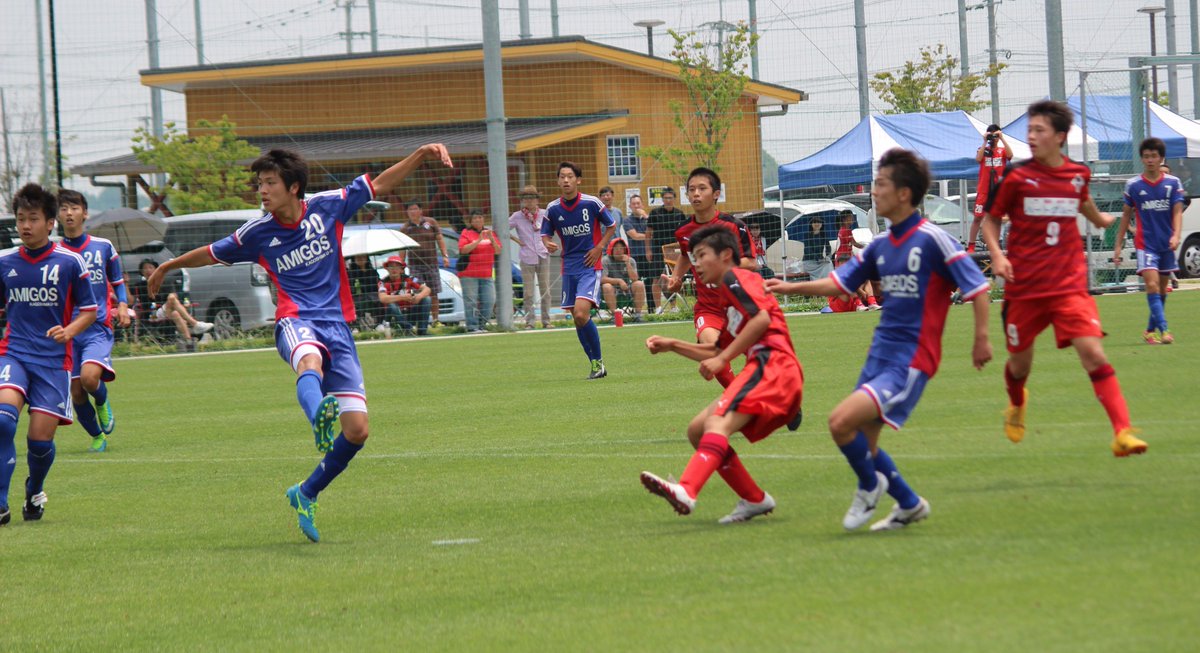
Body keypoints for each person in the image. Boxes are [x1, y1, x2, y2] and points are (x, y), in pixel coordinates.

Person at [147, 144, 455, 542]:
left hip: (339, 328)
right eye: (259, 184)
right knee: (309, 361)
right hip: (296, 320)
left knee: (358, 431)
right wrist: (169, 265)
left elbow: (378, 183)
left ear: (293, 187)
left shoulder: (328, 207)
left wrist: (421, 154)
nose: (262, 190)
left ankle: (306, 492)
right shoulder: (257, 233)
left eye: (270, 183)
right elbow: (210, 253)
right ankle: (318, 421)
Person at [766, 148, 993, 531]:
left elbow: (978, 286)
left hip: (910, 360)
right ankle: (908, 503)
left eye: (881, 184)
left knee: (840, 423)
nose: (874, 192)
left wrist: (981, 338)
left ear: (904, 193)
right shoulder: (880, 246)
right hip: (879, 355)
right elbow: (837, 283)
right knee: (865, 443)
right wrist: (788, 287)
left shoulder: (934, 240)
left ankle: (870, 488)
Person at [981, 100, 1147, 458]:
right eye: (1030, 130)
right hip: (1024, 289)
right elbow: (990, 220)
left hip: (1068, 285)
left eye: (1039, 130)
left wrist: (1099, 219)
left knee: (1093, 354)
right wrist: (997, 254)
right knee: (1019, 365)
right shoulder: (1017, 178)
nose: (1032, 136)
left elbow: (1080, 198)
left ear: (1059, 137)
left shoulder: (1077, 173)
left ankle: (1122, 432)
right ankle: (1016, 402)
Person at [640, 224, 803, 524]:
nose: (696, 264)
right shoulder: (729, 294)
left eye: (701, 255)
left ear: (726, 255)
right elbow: (715, 350)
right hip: (766, 368)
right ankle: (754, 498)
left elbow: (761, 319)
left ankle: (687, 490)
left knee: (716, 422)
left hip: (773, 364)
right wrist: (672, 345)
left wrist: (725, 358)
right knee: (697, 430)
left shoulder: (736, 277)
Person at [0, 184, 98, 525]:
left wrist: (70, 331)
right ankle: (0, 502)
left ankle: (34, 489)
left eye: (33, 219)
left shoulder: (70, 263)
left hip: (54, 363)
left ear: (50, 223)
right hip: (13, 354)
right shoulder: (4, 262)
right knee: (2, 420)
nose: (25, 226)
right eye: (21, 219)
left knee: (39, 442)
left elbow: (90, 309)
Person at [661, 168, 758, 389]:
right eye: (691, 189)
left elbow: (751, 263)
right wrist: (676, 278)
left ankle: (778, 393)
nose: (696, 194)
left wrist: (718, 265)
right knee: (711, 349)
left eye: (702, 188)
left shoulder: (733, 226)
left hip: (740, 305)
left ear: (716, 194)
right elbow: (686, 256)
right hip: (708, 308)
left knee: (762, 357)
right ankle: (738, 396)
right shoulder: (684, 232)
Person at [57, 189, 130, 453]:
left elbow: (118, 282)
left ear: (84, 213)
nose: (69, 213)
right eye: (64, 209)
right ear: (57, 215)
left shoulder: (103, 246)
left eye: (74, 208)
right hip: (67, 332)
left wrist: (121, 305)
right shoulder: (56, 253)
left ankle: (102, 401)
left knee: (90, 379)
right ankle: (98, 436)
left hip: (97, 326)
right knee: (76, 393)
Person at [541, 161, 617, 380]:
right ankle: (595, 364)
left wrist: (599, 247)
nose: (566, 180)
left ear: (578, 180)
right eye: (562, 176)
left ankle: (598, 361)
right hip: (569, 266)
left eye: (570, 176)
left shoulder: (591, 203)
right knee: (577, 318)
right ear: (558, 181)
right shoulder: (553, 208)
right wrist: (547, 243)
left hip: (590, 265)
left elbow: (611, 225)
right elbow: (545, 234)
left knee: (582, 314)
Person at [1113, 138, 1184, 344]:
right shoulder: (1134, 185)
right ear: (1142, 159)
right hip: (1146, 244)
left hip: (1166, 244)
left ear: (1161, 158)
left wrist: (1176, 235)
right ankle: (1165, 331)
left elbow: (1177, 212)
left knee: (1161, 290)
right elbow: (1126, 215)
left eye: (1154, 156)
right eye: (1146, 156)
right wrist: (1118, 245)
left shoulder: (1173, 183)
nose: (1150, 160)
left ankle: (1149, 331)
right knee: (1151, 286)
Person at [131, 259, 213, 348]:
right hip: (152, 314)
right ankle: (195, 324)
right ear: (142, 272)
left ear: (155, 270)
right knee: (172, 299)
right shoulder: (141, 285)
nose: (148, 270)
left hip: (166, 310)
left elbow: (174, 296)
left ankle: (189, 341)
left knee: (175, 312)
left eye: (150, 267)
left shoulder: (164, 282)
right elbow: (144, 303)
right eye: (145, 268)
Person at [398, 200, 450, 326]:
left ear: (421, 210)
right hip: (415, 266)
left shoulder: (431, 222)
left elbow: (440, 239)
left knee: (434, 292)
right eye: (410, 210)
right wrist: (401, 264)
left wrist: (445, 255)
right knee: (418, 292)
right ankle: (421, 322)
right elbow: (402, 247)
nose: (413, 212)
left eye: (415, 209)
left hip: (431, 263)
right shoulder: (405, 228)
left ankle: (436, 320)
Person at [508, 184, 552, 329]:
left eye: (532, 198)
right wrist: (516, 240)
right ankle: (530, 322)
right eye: (526, 199)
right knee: (528, 292)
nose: (529, 201)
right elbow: (502, 228)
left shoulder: (545, 214)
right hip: (527, 256)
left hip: (543, 254)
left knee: (545, 289)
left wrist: (549, 242)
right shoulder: (517, 216)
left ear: (537, 200)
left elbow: (554, 228)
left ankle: (547, 321)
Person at [969, 124, 1014, 253]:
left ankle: (994, 245)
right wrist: (984, 141)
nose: (993, 138)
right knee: (977, 217)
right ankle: (971, 245)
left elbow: (1011, 155)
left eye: (995, 135)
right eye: (991, 135)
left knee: (997, 218)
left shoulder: (1002, 151)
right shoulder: (983, 150)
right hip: (983, 191)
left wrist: (1002, 138)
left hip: (998, 191)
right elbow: (978, 159)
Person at [458, 209, 500, 333]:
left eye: (480, 217)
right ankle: (472, 326)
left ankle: (481, 325)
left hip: (486, 274)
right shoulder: (466, 232)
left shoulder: (489, 233)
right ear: (470, 221)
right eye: (475, 218)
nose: (477, 220)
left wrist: (491, 239)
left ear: (483, 219)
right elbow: (463, 250)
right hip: (469, 274)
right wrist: (478, 240)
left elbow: (498, 251)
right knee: (471, 301)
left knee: (489, 300)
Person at [646, 188, 687, 308]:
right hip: (658, 249)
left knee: (674, 278)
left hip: (674, 250)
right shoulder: (655, 213)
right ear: (662, 199)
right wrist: (648, 250)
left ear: (674, 199)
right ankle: (658, 308)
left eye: (670, 198)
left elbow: (684, 233)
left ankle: (673, 307)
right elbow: (648, 233)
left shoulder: (680, 214)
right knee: (656, 278)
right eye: (665, 198)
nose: (668, 200)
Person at [377, 255, 431, 336]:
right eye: (391, 266)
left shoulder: (410, 279)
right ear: (387, 268)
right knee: (392, 305)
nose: (394, 269)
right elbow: (383, 298)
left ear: (401, 269)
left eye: (397, 266)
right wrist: (403, 297)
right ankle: (408, 329)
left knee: (427, 299)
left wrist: (418, 296)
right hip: (393, 316)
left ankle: (422, 331)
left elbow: (427, 289)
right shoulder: (382, 282)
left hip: (410, 312)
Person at [600, 239, 646, 322]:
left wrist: (627, 263)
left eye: (621, 248)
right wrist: (619, 281)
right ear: (611, 249)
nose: (618, 250)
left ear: (625, 250)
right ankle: (615, 316)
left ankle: (638, 315)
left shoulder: (630, 260)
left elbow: (635, 278)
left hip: (627, 289)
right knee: (606, 286)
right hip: (611, 290)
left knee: (639, 284)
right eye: (616, 248)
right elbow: (602, 279)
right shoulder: (605, 260)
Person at [347, 253, 383, 328]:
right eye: (357, 257)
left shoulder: (373, 272)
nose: (360, 258)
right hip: (357, 299)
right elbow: (351, 288)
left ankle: (379, 323)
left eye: (363, 256)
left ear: (367, 258)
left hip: (373, 298)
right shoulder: (350, 273)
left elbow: (377, 285)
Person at [624, 194, 650, 278]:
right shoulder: (627, 220)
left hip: (649, 254)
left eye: (638, 203)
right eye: (633, 204)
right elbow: (635, 236)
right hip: (635, 256)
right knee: (639, 280)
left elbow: (656, 231)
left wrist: (645, 216)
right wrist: (650, 235)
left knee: (651, 280)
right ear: (630, 206)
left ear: (642, 205)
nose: (636, 206)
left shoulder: (648, 219)